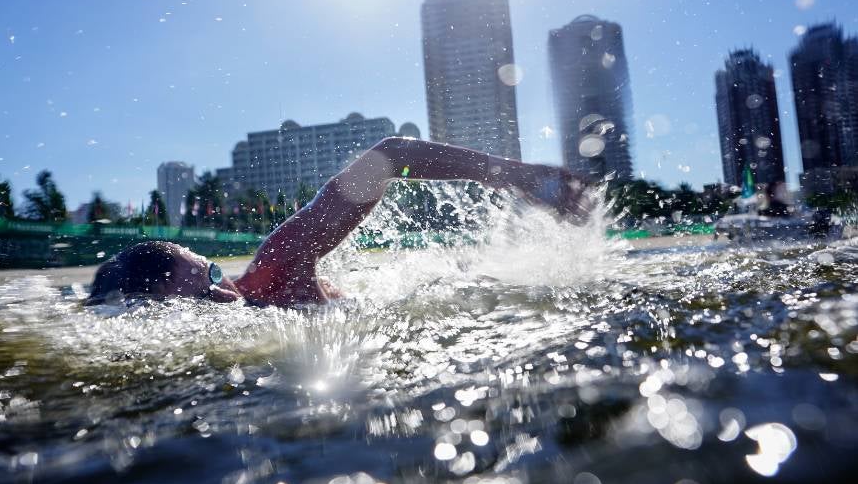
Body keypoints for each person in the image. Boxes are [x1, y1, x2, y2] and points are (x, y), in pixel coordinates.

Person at [86, 137, 592, 307]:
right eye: (201, 298)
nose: (223, 295)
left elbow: (389, 156)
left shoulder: (275, 269)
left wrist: (514, 175)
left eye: (214, 275)